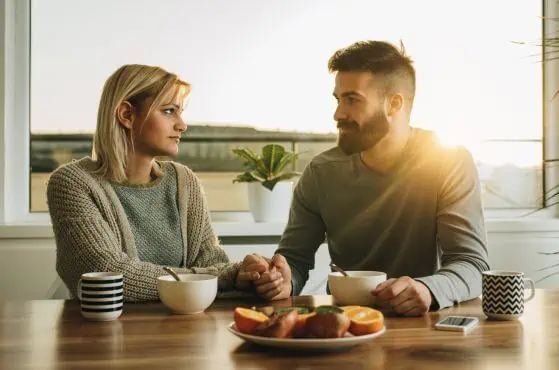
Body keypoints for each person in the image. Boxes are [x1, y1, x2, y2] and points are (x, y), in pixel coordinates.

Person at [259, 40, 490, 315]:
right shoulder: (321, 172)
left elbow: (472, 264)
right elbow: (294, 260)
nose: (338, 113)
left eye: (352, 100)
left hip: (420, 323)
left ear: (394, 104)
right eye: (338, 99)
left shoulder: (449, 161)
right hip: (343, 324)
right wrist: (282, 280)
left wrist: (428, 289)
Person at [47, 64, 268, 301]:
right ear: (127, 115)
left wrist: (249, 275)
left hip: (184, 329)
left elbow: (212, 263)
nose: (182, 125)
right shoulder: (72, 183)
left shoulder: (184, 182)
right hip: (105, 332)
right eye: (169, 111)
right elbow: (107, 273)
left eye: (179, 112)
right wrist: (223, 278)